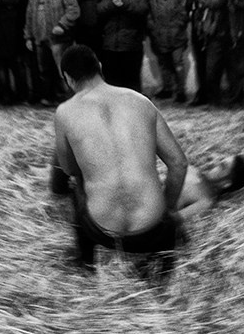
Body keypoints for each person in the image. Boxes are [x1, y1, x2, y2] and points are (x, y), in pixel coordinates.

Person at [54, 44, 187, 274]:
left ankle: (85, 261)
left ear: (68, 79)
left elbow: (68, 169)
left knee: (75, 185)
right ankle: (162, 257)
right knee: (166, 226)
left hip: (103, 231)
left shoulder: (64, 112)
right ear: (100, 67)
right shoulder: (142, 101)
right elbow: (179, 163)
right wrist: (167, 209)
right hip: (152, 231)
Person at [24, 0, 80, 106]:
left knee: (63, 72)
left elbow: (74, 9)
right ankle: (49, 99)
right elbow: (29, 14)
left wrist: (62, 25)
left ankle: (72, 102)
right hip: (39, 38)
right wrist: (28, 36)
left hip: (58, 39)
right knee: (44, 72)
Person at [146, 0, 190, 103]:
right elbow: (147, 8)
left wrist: (179, 24)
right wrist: (151, 26)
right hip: (158, 31)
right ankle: (167, 88)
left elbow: (184, 4)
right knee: (163, 62)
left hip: (176, 30)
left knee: (178, 62)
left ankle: (181, 91)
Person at [97, 0, 149, 92]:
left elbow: (142, 9)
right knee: (112, 85)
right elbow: (99, 9)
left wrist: (123, 3)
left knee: (131, 86)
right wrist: (112, 4)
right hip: (110, 47)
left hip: (131, 48)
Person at [20, 0, 61, 104]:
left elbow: (69, 6)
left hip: (56, 33)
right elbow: (27, 9)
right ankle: (42, 95)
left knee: (56, 65)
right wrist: (27, 34)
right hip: (38, 31)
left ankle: (57, 94)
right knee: (39, 66)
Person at [187, 0, 222, 106]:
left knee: (212, 66)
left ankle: (213, 97)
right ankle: (201, 95)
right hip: (197, 25)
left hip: (213, 25)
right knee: (199, 63)